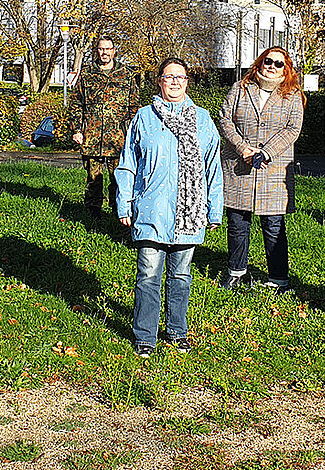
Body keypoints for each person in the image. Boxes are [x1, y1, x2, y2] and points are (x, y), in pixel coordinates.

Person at [115, 58, 222, 358]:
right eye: (168, 76)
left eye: (180, 77)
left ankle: (177, 332)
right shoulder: (144, 117)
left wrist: (214, 209)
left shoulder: (202, 120)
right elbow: (128, 164)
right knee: (148, 275)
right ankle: (145, 335)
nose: (174, 82)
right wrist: (124, 203)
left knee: (181, 276)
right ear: (159, 81)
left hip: (189, 214)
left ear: (187, 82)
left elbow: (212, 166)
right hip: (151, 209)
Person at [215, 46, 304, 292]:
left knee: (274, 226)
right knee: (237, 224)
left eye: (278, 63)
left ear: (286, 68)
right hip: (239, 166)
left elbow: (292, 128)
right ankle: (236, 272)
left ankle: (278, 279)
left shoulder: (292, 94)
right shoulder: (240, 88)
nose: (272, 66)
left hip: (273, 170)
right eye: (268, 61)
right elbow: (225, 119)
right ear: (259, 62)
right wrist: (243, 147)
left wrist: (266, 152)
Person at [70, 36, 139, 233]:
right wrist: (77, 129)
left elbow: (134, 106)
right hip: (92, 139)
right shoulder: (87, 74)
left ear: (114, 50)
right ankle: (93, 222)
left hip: (118, 141)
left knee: (120, 181)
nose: (104, 53)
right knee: (93, 181)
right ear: (96, 51)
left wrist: (131, 133)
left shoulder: (125, 75)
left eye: (108, 49)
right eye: (101, 49)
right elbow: (76, 103)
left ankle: (120, 221)